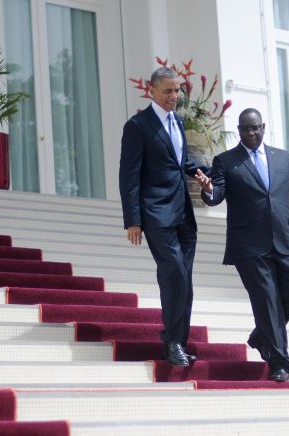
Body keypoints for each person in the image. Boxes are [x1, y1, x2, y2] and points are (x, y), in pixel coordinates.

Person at [194, 108, 289, 382]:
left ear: (263, 127)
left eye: (255, 128)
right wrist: (208, 189)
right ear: (239, 130)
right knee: (266, 300)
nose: (251, 133)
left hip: (285, 239)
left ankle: (261, 335)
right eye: (246, 129)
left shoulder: (282, 158)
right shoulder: (226, 161)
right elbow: (217, 194)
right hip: (249, 246)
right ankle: (280, 363)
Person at [119, 67, 208, 367]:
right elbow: (128, 175)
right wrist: (133, 219)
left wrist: (203, 172)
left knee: (186, 281)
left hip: (184, 213)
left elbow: (179, 160)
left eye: (178, 90)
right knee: (174, 275)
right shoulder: (137, 126)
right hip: (156, 214)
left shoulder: (178, 122)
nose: (175, 96)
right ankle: (171, 343)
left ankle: (179, 342)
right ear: (152, 91)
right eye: (168, 91)